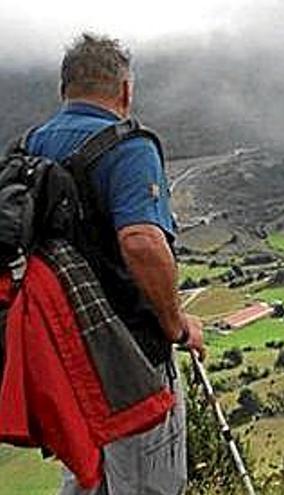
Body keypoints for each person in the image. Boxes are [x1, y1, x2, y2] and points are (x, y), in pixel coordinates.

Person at [24, 33, 204, 495]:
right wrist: (175, 323)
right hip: (129, 356)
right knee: (149, 482)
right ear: (124, 91)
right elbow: (142, 242)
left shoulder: (29, 149)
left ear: (64, 89)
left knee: (85, 474)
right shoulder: (128, 147)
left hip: (58, 351)